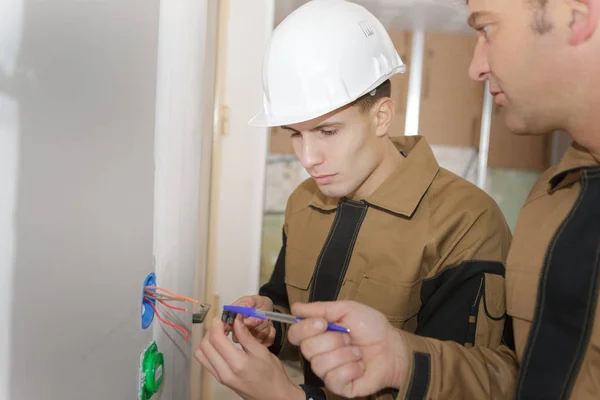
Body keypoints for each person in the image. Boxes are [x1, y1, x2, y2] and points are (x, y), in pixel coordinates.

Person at [194, 1, 513, 399]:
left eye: (327, 131)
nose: (307, 158)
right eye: (295, 133)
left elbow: (461, 387)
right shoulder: (303, 203)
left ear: (381, 117)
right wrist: (273, 327)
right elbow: (290, 307)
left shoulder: (465, 222)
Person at [287, 0, 600, 398]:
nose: (475, 68)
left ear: (578, 13)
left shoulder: (467, 220)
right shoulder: (553, 198)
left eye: (486, 28)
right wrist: (402, 359)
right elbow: (526, 377)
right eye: (294, 133)